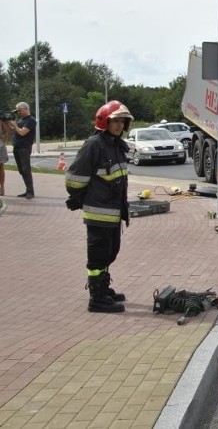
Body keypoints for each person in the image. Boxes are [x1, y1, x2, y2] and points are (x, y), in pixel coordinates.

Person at [65, 100, 134, 313]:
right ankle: (96, 298)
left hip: (113, 213)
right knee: (98, 255)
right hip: (99, 213)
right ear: (104, 121)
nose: (119, 125)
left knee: (110, 252)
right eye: (115, 121)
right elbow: (74, 179)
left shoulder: (115, 146)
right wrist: (79, 196)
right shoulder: (94, 145)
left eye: (122, 122)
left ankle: (103, 288)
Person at [6, 102, 37, 199]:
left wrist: (15, 125)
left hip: (24, 148)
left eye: (19, 110)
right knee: (21, 170)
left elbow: (22, 132)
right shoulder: (21, 120)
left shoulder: (31, 120)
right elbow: (13, 130)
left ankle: (30, 192)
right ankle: (27, 190)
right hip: (17, 147)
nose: (18, 112)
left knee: (26, 169)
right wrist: (7, 123)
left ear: (25, 109)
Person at [0, 120, 9, 196]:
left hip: (0, 148)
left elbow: (6, 133)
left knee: (0, 167)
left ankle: (2, 187)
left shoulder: (1, 121)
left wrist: (3, 143)